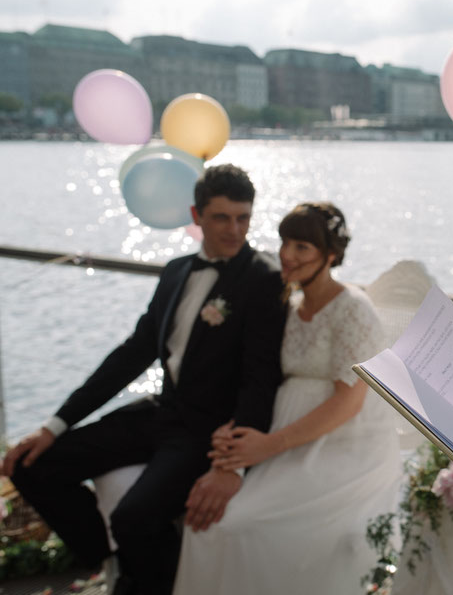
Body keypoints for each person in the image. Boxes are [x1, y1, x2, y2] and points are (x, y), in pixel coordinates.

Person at [1, 164, 286, 595]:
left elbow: (260, 379)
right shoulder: (175, 271)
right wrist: (54, 425)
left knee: (133, 517)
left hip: (204, 431)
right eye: (221, 218)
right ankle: (114, 560)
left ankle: (147, 582)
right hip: (159, 412)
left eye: (243, 218)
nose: (234, 230)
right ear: (197, 215)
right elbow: (131, 356)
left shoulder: (263, 278)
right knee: (32, 466)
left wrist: (233, 464)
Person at [172, 202, 402, 595]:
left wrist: (269, 445)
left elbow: (349, 403)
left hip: (340, 448)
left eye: (301, 247)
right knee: (208, 522)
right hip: (284, 434)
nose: (286, 255)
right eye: (284, 243)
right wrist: (236, 430)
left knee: (238, 525)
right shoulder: (290, 305)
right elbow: (264, 379)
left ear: (330, 256)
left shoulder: (353, 309)